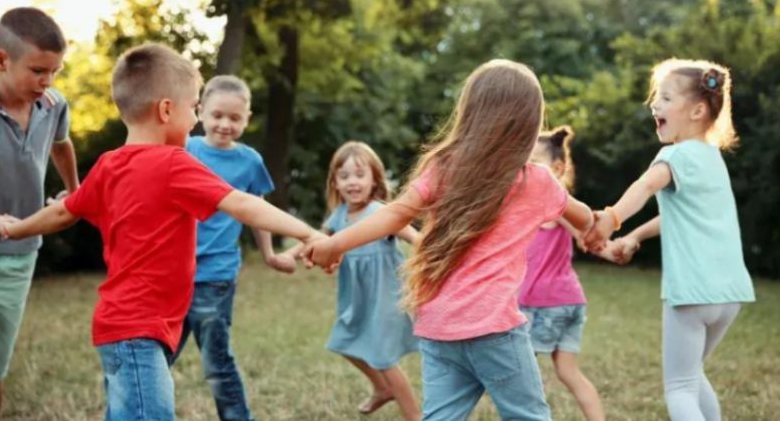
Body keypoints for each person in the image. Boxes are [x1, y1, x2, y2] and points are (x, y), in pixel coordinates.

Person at [0, 43, 324, 421]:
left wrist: (16, 230)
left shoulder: (109, 165)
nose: (195, 119)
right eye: (194, 107)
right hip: (138, 332)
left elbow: (64, 211)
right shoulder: (175, 164)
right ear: (165, 110)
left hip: (121, 328)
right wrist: (308, 233)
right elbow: (242, 203)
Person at [307, 59, 605, 421]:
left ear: (471, 114)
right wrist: (599, 225)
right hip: (496, 330)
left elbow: (395, 213)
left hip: (438, 327)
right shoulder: (536, 181)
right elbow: (584, 217)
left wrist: (334, 244)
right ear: (528, 124)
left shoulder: (444, 166)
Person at [596, 58, 755, 421]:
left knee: (679, 388)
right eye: (656, 96)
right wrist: (634, 236)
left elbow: (645, 186)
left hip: (692, 292)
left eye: (666, 98)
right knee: (692, 376)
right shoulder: (711, 159)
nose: (655, 104)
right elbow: (675, 215)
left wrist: (612, 217)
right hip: (729, 294)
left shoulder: (673, 155)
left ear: (697, 110)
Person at [0, 7, 79, 421]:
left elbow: (61, 145)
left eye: (54, 71)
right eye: (37, 70)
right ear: (1, 60)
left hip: (18, 258)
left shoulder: (53, 105)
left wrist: (74, 192)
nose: (47, 81)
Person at [172, 75, 296, 421]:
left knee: (216, 362)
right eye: (217, 115)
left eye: (234, 118)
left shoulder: (249, 161)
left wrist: (270, 255)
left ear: (247, 118)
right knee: (156, 356)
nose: (225, 124)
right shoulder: (184, 149)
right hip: (171, 273)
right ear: (200, 112)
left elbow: (258, 213)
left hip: (216, 275)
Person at [518, 126, 615, 421]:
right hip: (570, 301)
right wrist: (609, 250)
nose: (526, 169)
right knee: (569, 373)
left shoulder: (552, 204)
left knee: (520, 377)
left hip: (544, 305)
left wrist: (609, 246)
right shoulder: (547, 206)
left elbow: (584, 231)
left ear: (557, 169)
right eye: (523, 162)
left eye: (534, 162)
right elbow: (587, 236)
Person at [322, 141, 420, 420]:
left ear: (374, 178)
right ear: (335, 183)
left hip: (385, 297)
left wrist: (423, 244)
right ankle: (381, 389)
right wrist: (290, 255)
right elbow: (317, 240)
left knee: (384, 359)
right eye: (344, 176)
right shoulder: (339, 215)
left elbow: (411, 235)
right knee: (342, 343)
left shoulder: (380, 213)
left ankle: (415, 416)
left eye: (359, 174)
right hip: (356, 299)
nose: (352, 182)